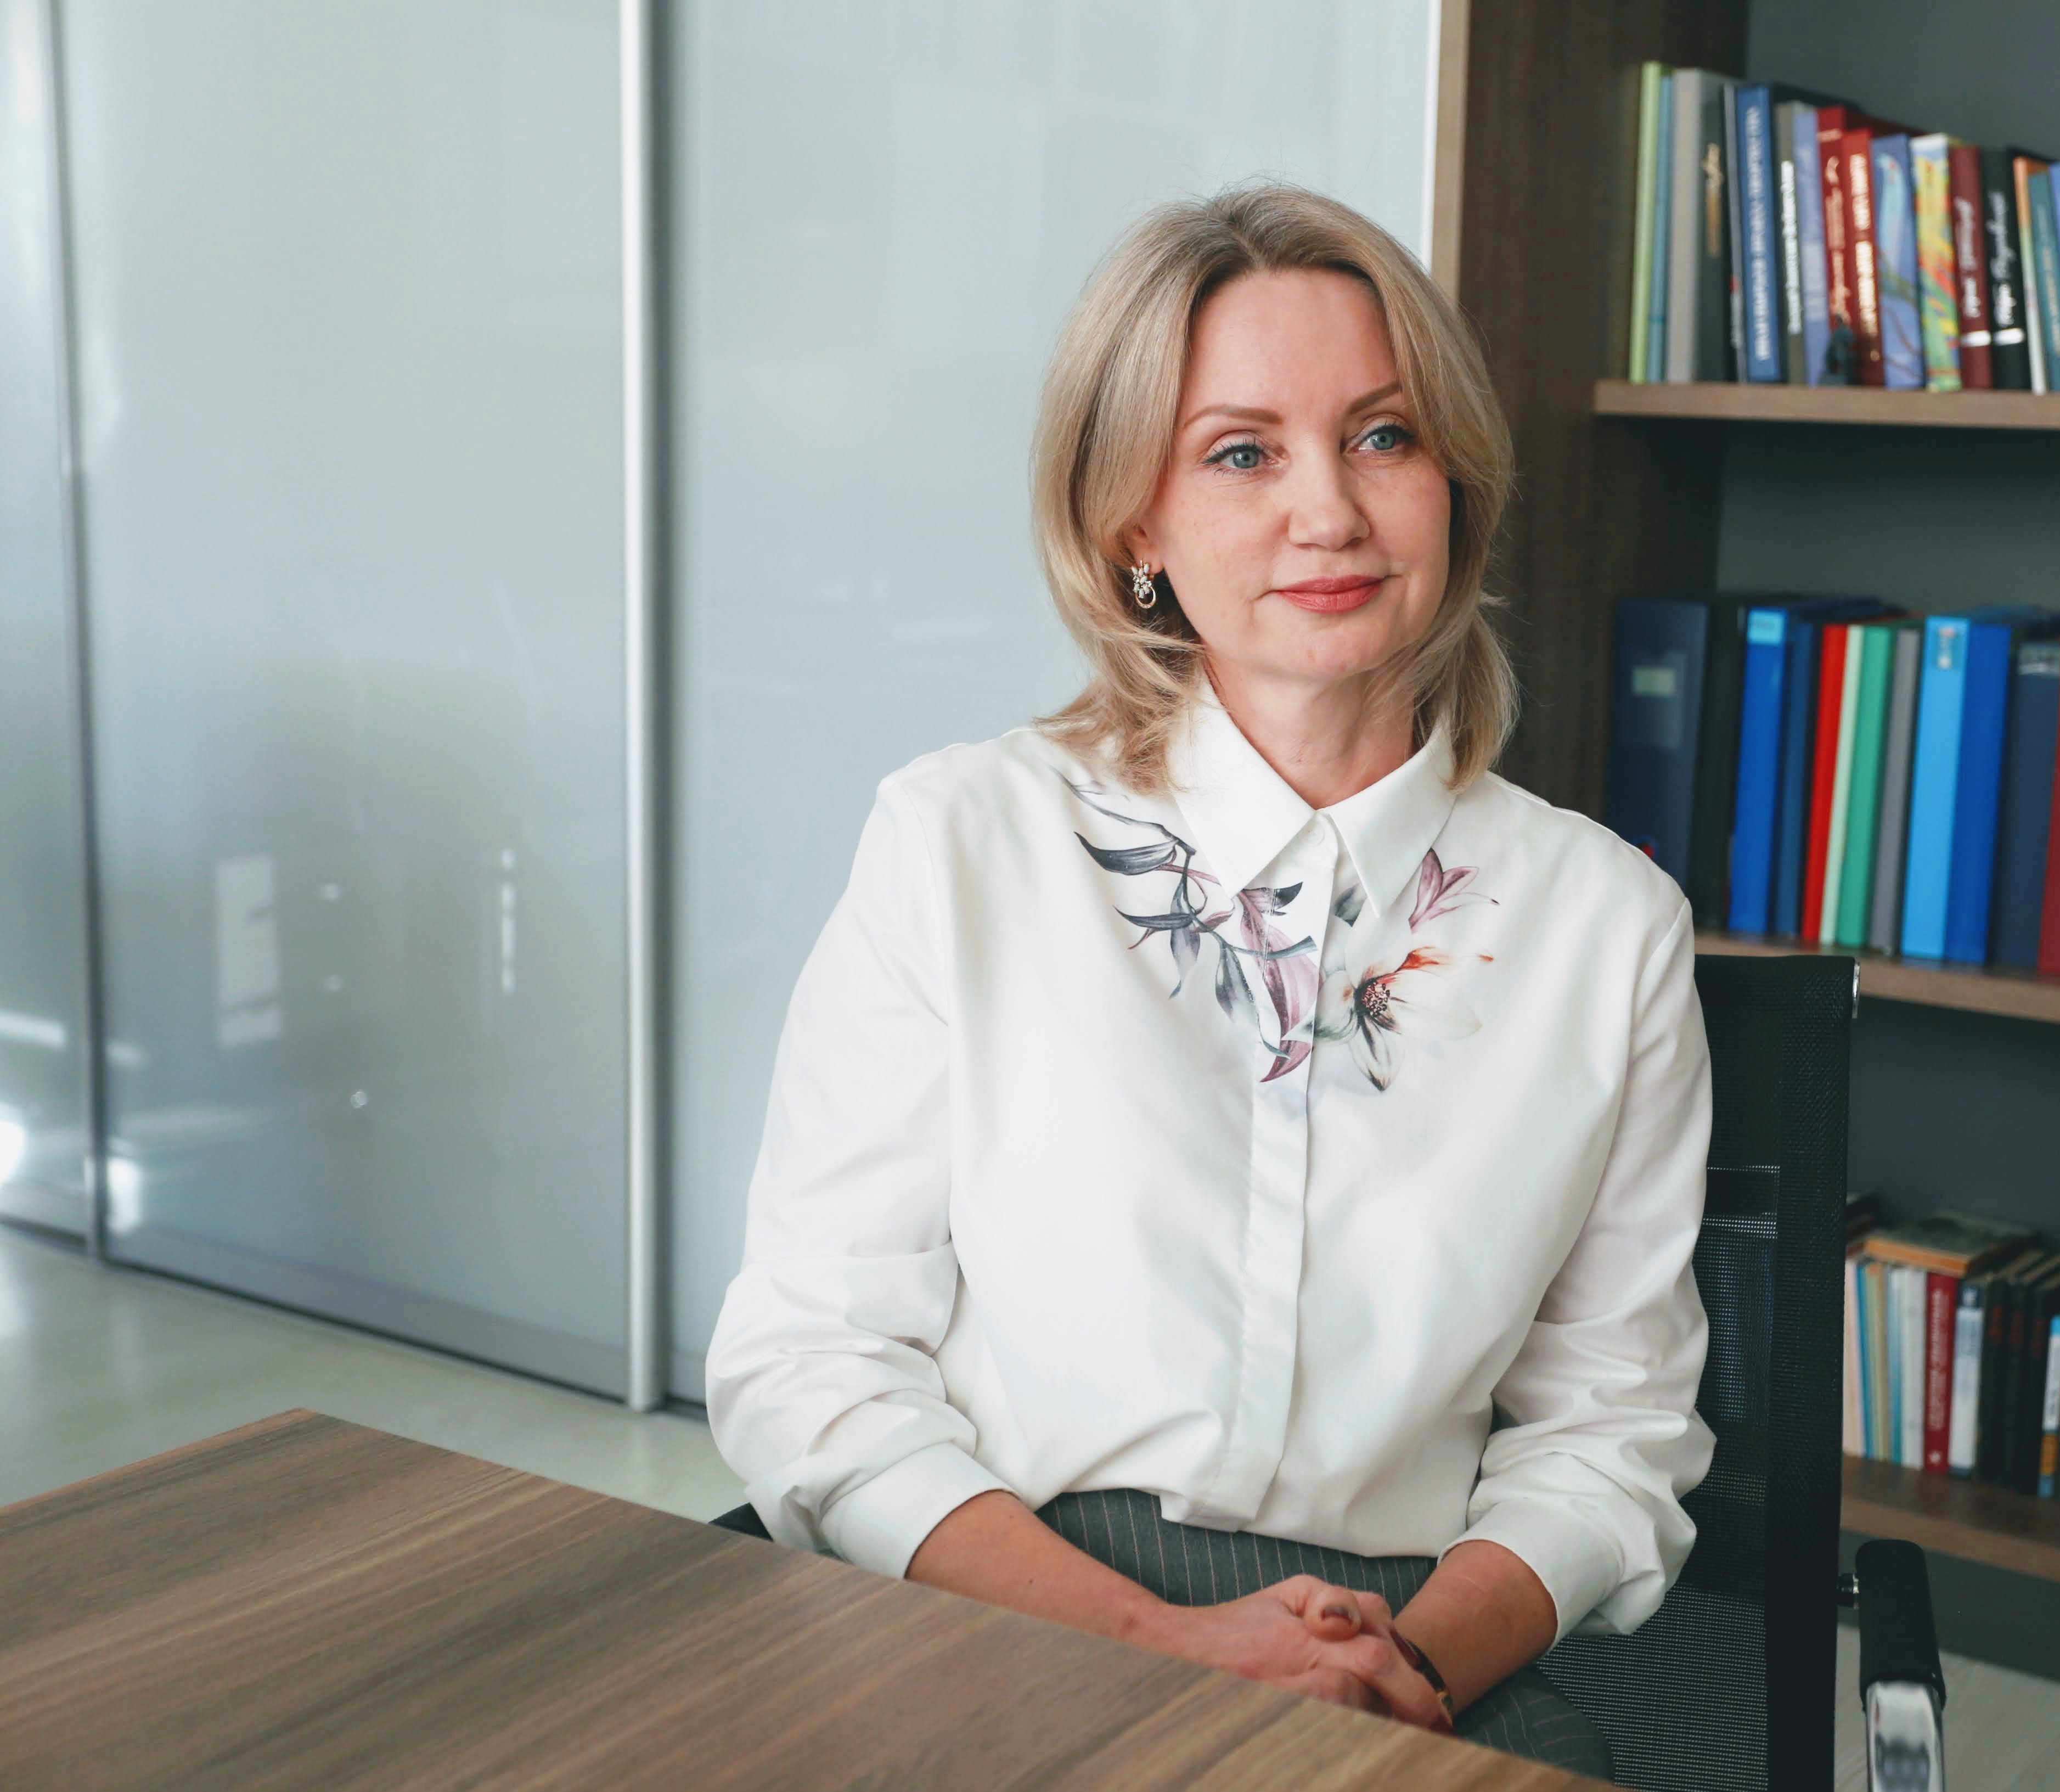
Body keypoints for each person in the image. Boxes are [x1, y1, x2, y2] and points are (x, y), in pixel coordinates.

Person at [706, 183, 1713, 1774]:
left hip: (1405, 1640)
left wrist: (1399, 1669)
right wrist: (1160, 1649)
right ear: (1134, 528)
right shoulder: (962, 840)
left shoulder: (1611, 926)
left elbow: (1613, 1430)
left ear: (1452, 483)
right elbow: (812, 1359)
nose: (1330, 511)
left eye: (1382, 437)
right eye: (1241, 453)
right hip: (1003, 1594)